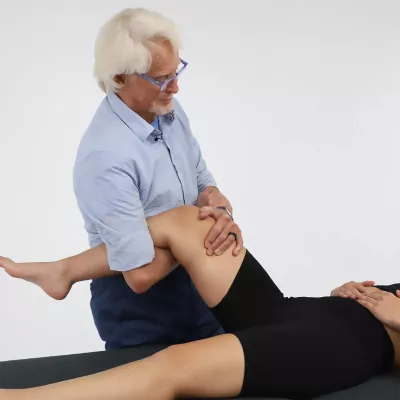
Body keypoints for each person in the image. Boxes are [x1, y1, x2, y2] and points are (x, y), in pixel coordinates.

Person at [1, 205, 399, 399]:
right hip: (308, 311)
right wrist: (350, 292)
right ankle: (63, 272)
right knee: (189, 222)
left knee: (177, 363)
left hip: (343, 346)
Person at [72, 8, 243, 349]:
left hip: (196, 281)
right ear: (120, 77)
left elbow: (202, 182)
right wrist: (198, 235)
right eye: (162, 78)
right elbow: (139, 274)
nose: (175, 87)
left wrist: (219, 209)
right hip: (141, 309)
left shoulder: (167, 109)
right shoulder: (105, 157)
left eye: (177, 71)